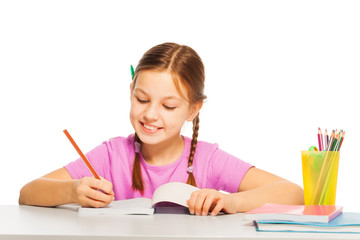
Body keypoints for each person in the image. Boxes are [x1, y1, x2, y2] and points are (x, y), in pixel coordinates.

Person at [19, 42, 304, 216]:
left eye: (168, 106)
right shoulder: (111, 154)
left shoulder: (207, 159)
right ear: (131, 90)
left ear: (193, 109)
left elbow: (293, 193)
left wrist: (232, 201)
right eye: (142, 99)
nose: (151, 114)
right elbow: (28, 193)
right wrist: (72, 191)